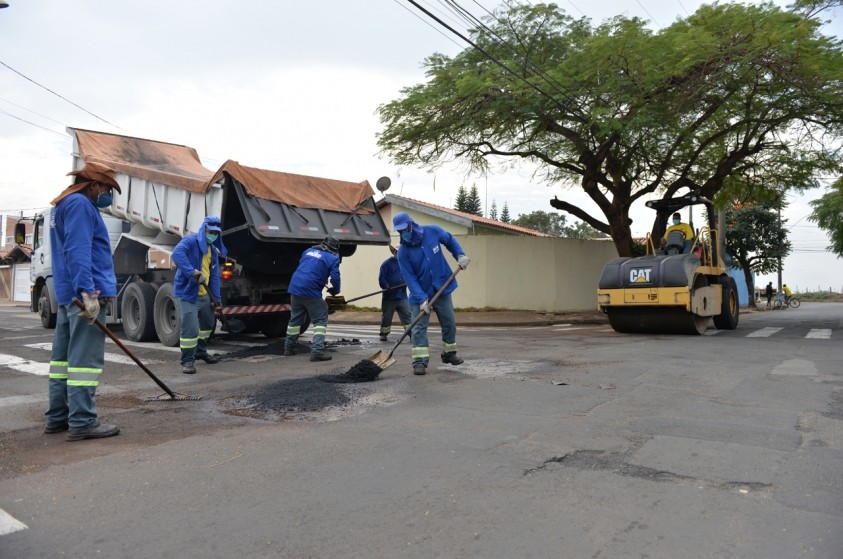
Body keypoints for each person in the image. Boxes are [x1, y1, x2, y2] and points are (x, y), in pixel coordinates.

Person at [45, 161, 122, 441]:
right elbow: (79, 250)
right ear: (93, 186)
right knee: (83, 362)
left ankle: (58, 417)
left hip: (69, 294)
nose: (107, 195)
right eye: (106, 188)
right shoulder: (79, 204)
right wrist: (88, 293)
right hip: (85, 295)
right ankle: (82, 421)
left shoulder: (63, 205)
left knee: (63, 360)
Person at [392, 212, 470, 376]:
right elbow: (410, 279)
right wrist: (422, 300)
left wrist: (460, 254)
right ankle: (419, 362)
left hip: (441, 287)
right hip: (419, 295)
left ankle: (449, 354)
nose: (402, 234)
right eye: (399, 232)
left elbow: (449, 240)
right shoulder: (403, 252)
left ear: (411, 224)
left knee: (449, 323)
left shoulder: (432, 231)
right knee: (419, 328)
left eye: (404, 230)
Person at [172, 215, 227, 374]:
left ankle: (201, 352)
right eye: (211, 232)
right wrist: (192, 272)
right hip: (187, 294)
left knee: (208, 325)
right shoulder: (190, 241)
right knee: (191, 328)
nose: (214, 235)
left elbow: (214, 277)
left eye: (216, 234)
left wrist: (216, 300)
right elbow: (177, 254)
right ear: (204, 230)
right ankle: (187, 361)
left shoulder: (213, 251)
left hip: (204, 295)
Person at [284, 236, 341, 361]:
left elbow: (306, 268)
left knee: (295, 320)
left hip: (295, 287)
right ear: (335, 248)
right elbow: (335, 277)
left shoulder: (308, 251)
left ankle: (289, 348)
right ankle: (317, 352)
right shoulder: (332, 258)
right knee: (320, 321)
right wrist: (335, 291)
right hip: (310, 291)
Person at [378, 245, 412, 342]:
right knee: (387, 317)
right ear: (394, 252)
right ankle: (384, 333)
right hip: (389, 297)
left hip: (402, 296)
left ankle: (411, 333)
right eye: (398, 252)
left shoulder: (405, 263)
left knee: (407, 315)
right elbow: (382, 278)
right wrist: (386, 286)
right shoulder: (386, 264)